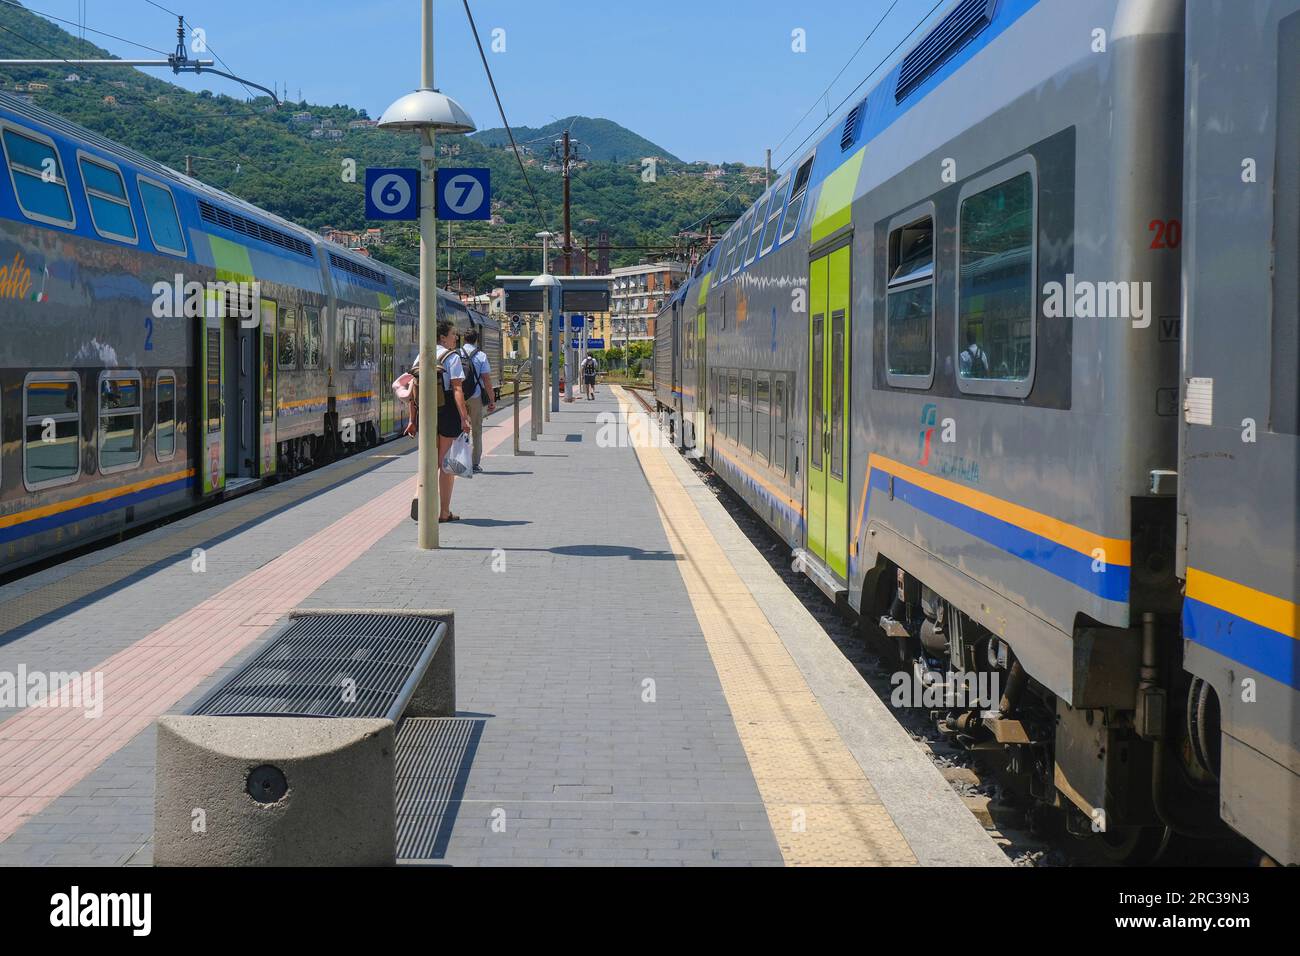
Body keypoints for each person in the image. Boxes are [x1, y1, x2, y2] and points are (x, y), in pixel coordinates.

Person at [436, 319, 471, 522]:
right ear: (443, 337)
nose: (455, 337)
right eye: (452, 334)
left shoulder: (421, 355)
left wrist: (413, 419)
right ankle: (443, 511)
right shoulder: (452, 358)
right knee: (446, 464)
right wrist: (464, 418)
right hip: (447, 409)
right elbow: (457, 389)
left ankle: (422, 500)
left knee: (430, 462)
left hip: (427, 410)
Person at [459, 329, 496, 473]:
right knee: (476, 430)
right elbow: (487, 380)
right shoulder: (481, 355)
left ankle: (460, 460)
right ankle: (474, 464)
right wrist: (491, 400)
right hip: (475, 396)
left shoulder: (456, 354)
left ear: (464, 339)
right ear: (476, 340)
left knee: (460, 429)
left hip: (459, 397)